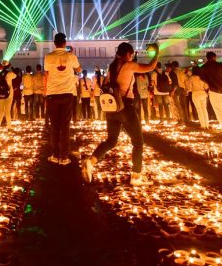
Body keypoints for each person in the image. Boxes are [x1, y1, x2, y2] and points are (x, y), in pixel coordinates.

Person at [82, 42, 157, 186]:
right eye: (132, 54)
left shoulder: (112, 67)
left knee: (111, 141)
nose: (133, 56)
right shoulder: (129, 65)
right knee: (138, 142)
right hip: (125, 107)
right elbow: (151, 67)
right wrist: (156, 52)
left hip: (111, 108)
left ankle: (91, 161)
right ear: (128, 54)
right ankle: (136, 175)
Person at [44, 34, 81, 164]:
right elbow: (79, 69)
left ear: (54, 43)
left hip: (52, 93)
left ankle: (54, 155)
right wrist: (71, 57)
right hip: (67, 93)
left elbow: (47, 71)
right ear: (65, 43)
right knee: (65, 126)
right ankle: (64, 157)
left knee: (54, 125)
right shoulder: (71, 56)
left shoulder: (48, 57)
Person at [198, 52, 222, 135]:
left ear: (207, 58)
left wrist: (209, 82)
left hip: (213, 90)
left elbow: (201, 77)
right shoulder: (221, 65)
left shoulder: (204, 67)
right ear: (214, 57)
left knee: (218, 110)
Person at [0, 62, 17, 130]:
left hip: (0, 94)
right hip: (9, 94)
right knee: (8, 111)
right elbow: (15, 75)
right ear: (8, 67)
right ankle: (9, 126)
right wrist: (11, 67)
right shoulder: (10, 74)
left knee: (1, 111)